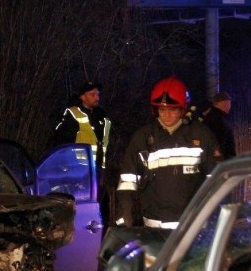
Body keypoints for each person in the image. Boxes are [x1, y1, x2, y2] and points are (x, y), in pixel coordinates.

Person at [116, 76, 221, 230]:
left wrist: (217, 216)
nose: (166, 115)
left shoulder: (201, 135)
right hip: (155, 227)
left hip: (193, 226)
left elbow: (217, 179)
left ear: (183, 109)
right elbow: (128, 180)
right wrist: (124, 215)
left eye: (172, 109)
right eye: (162, 109)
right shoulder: (143, 138)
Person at [53, 81, 112, 227]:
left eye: (98, 94)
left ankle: (99, 231)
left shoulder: (101, 116)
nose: (96, 97)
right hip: (78, 170)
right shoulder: (73, 114)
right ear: (83, 97)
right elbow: (61, 141)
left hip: (98, 169)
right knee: (81, 205)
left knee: (100, 203)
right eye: (92, 94)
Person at [199, 91, 236, 159]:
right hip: (220, 161)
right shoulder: (217, 119)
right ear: (224, 103)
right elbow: (220, 142)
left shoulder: (213, 116)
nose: (230, 106)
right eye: (229, 103)